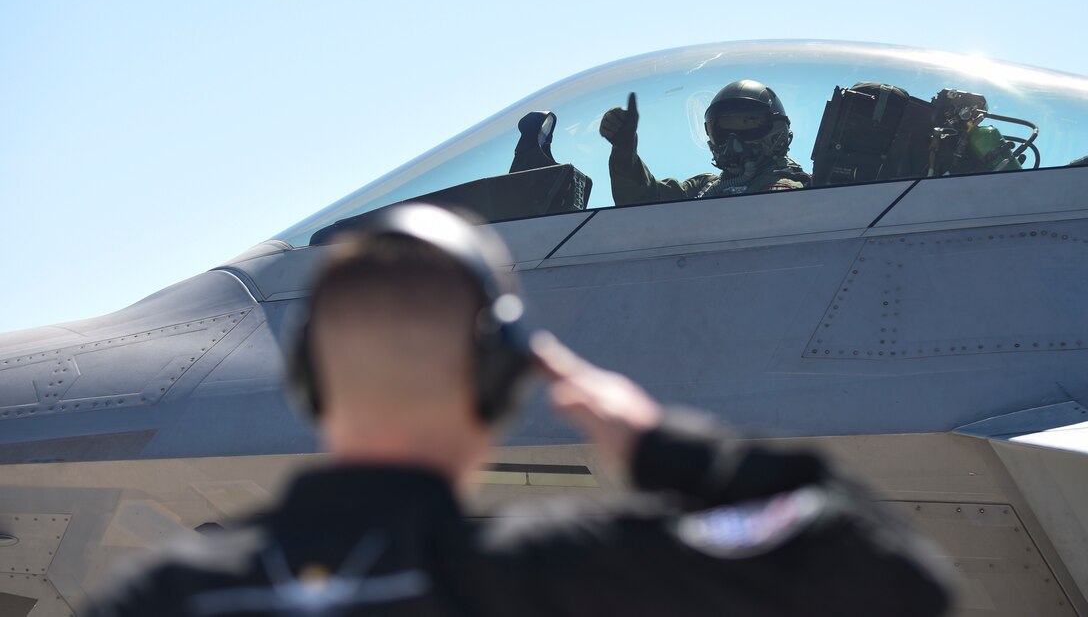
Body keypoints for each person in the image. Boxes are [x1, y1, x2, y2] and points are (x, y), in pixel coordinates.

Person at [86, 204, 950, 617]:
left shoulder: (157, 595)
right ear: (502, 377)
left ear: (309, 373)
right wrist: (655, 441)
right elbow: (886, 576)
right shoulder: (558, 571)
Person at [602, 81, 812, 204]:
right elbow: (644, 204)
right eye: (722, 130)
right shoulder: (705, 187)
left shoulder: (802, 191)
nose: (732, 140)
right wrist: (624, 149)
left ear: (776, 133)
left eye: (745, 124)